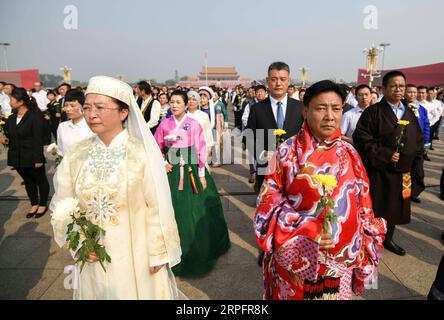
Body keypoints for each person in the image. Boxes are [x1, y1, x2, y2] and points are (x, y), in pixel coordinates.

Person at [50, 76, 182, 300]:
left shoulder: (142, 154)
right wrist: (79, 243)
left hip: (137, 255)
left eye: (100, 107)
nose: (91, 114)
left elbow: (156, 205)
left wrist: (158, 252)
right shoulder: (75, 155)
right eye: (88, 107)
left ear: (123, 113)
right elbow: (63, 204)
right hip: (93, 255)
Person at [254, 80, 386, 300]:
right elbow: (268, 204)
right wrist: (307, 229)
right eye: (321, 108)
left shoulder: (350, 154)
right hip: (296, 259)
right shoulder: (286, 152)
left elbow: (364, 204)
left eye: (336, 109)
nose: (329, 116)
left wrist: (363, 241)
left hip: (339, 261)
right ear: (305, 111)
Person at [154, 90, 230, 277]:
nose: (174, 105)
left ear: (187, 104)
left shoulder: (194, 124)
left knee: (195, 210)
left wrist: (202, 174)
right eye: (172, 102)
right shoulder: (165, 124)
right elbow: (156, 147)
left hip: (191, 170)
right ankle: (172, 253)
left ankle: (196, 251)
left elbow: (201, 149)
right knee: (173, 210)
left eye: (178, 102)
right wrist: (164, 162)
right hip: (172, 172)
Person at [353, 71, 424, 256]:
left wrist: (416, 162)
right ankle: (368, 241)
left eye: (401, 86)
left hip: (404, 172)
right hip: (379, 172)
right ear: (383, 89)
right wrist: (385, 154)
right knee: (377, 208)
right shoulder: (373, 112)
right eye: (393, 86)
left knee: (396, 209)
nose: (398, 89)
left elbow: (417, 141)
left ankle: (388, 238)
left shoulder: (409, 113)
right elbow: (361, 139)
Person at [246, 61, 304, 192]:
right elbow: (248, 138)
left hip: (294, 169)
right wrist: (262, 153)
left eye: (282, 79)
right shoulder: (257, 109)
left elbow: (306, 136)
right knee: (266, 207)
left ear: (289, 80)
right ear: (267, 81)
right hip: (265, 169)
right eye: (274, 79)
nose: (278, 83)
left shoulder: (300, 107)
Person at [0, 88, 50, 219]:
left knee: (40, 180)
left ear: (21, 101)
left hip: (32, 156)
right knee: (28, 181)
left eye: (12, 99)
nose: (10, 101)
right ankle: (34, 203)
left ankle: (43, 203)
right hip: (17, 156)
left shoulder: (35, 116)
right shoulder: (11, 118)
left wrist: (38, 158)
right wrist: (5, 139)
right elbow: (10, 134)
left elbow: (38, 138)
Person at [405, 84, 430, 203]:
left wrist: (427, 141)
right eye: (409, 92)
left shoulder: (421, 108)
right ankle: (405, 193)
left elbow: (426, 125)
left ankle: (414, 192)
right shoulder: (401, 107)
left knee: (418, 171)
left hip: (419, 145)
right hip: (405, 145)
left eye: (414, 92)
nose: (412, 94)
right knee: (406, 171)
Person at [56, 89, 95, 157]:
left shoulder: (92, 127)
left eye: (72, 106)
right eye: (66, 105)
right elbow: (60, 151)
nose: (68, 109)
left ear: (83, 107)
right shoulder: (62, 126)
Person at [186, 91, 214, 164]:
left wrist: (209, 147)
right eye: (189, 99)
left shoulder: (204, 115)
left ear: (198, 102)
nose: (191, 101)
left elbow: (208, 132)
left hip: (201, 148)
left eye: (194, 99)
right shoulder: (182, 116)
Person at [212, 90, 228, 167]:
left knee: (217, 143)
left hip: (218, 126)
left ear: (218, 96)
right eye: (212, 95)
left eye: (215, 95)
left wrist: (225, 124)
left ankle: (217, 161)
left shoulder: (220, 104)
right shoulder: (209, 104)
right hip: (210, 126)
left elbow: (225, 114)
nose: (213, 97)